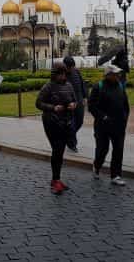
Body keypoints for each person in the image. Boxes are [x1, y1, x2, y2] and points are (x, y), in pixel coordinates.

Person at [36, 62, 77, 195]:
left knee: (60, 151)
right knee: (57, 149)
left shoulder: (69, 85)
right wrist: (53, 108)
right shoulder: (48, 87)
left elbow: (74, 100)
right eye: (60, 73)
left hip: (65, 121)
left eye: (64, 73)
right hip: (52, 122)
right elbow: (38, 103)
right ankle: (55, 180)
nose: (62, 76)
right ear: (55, 74)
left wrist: (73, 105)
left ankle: (56, 179)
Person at [89, 64, 130, 186]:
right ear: (108, 75)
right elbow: (91, 106)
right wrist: (103, 117)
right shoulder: (98, 86)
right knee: (103, 149)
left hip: (118, 124)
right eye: (116, 74)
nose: (118, 75)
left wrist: (125, 118)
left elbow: (125, 104)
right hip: (103, 125)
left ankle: (116, 175)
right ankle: (97, 165)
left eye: (118, 74)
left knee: (118, 149)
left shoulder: (120, 86)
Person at [64, 56, 87, 152]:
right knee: (71, 124)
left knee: (80, 121)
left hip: (79, 101)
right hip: (69, 104)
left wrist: (85, 97)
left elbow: (82, 85)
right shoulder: (62, 75)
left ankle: (68, 137)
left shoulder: (77, 72)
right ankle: (72, 144)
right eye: (69, 67)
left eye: (72, 67)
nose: (71, 69)